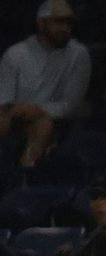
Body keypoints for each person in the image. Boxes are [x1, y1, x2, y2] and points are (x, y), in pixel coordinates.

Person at [0, 0, 89, 166]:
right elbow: (4, 99)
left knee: (43, 126)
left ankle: (25, 177)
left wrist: (37, 109)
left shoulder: (78, 55)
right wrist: (15, 110)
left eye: (68, 23)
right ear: (41, 23)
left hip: (55, 122)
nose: (65, 28)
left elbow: (70, 106)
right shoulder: (15, 54)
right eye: (58, 22)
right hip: (15, 115)